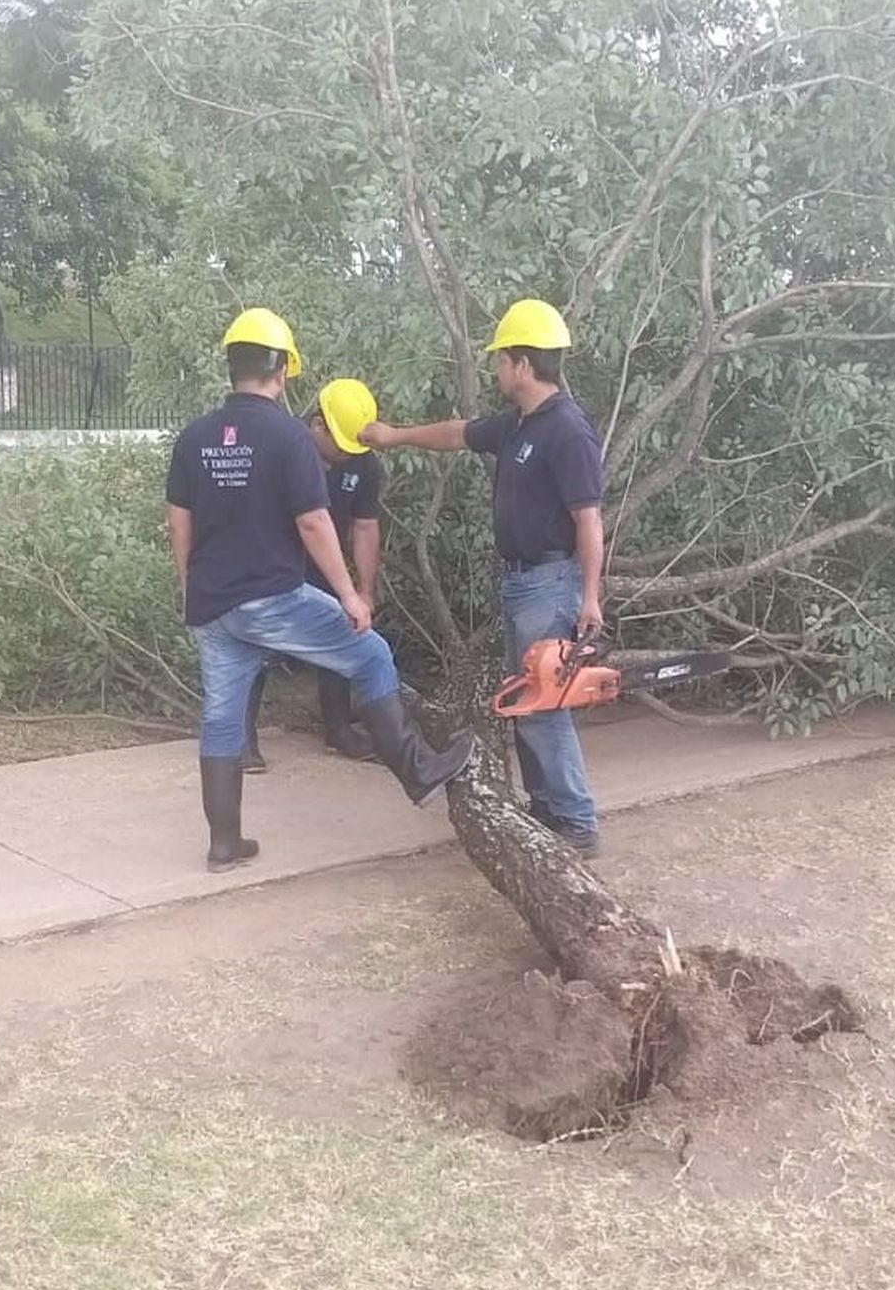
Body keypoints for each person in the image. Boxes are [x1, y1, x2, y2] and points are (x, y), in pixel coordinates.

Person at [165, 307, 473, 871]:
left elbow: (178, 521)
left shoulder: (195, 437)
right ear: (282, 368)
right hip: (272, 597)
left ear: (232, 366)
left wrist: (190, 585)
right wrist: (351, 596)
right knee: (373, 654)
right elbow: (313, 523)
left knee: (221, 716)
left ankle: (225, 843)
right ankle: (419, 772)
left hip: (213, 602)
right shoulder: (289, 438)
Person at [362, 298, 604, 853]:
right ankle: (548, 812)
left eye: (500, 360)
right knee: (529, 703)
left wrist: (589, 598)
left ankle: (575, 821)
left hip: (550, 583)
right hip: (523, 583)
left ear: (522, 364)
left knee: (543, 706)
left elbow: (589, 521)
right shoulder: (520, 423)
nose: (495, 370)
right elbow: (458, 433)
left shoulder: (567, 431)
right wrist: (394, 436)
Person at [243, 377, 384, 770]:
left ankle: (338, 726)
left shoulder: (362, 461)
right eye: (340, 444)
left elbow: (366, 526)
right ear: (317, 424)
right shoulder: (284, 451)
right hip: (273, 563)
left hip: (327, 565)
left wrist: (363, 589)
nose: (346, 454)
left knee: (339, 631)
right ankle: (241, 736)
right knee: (255, 647)